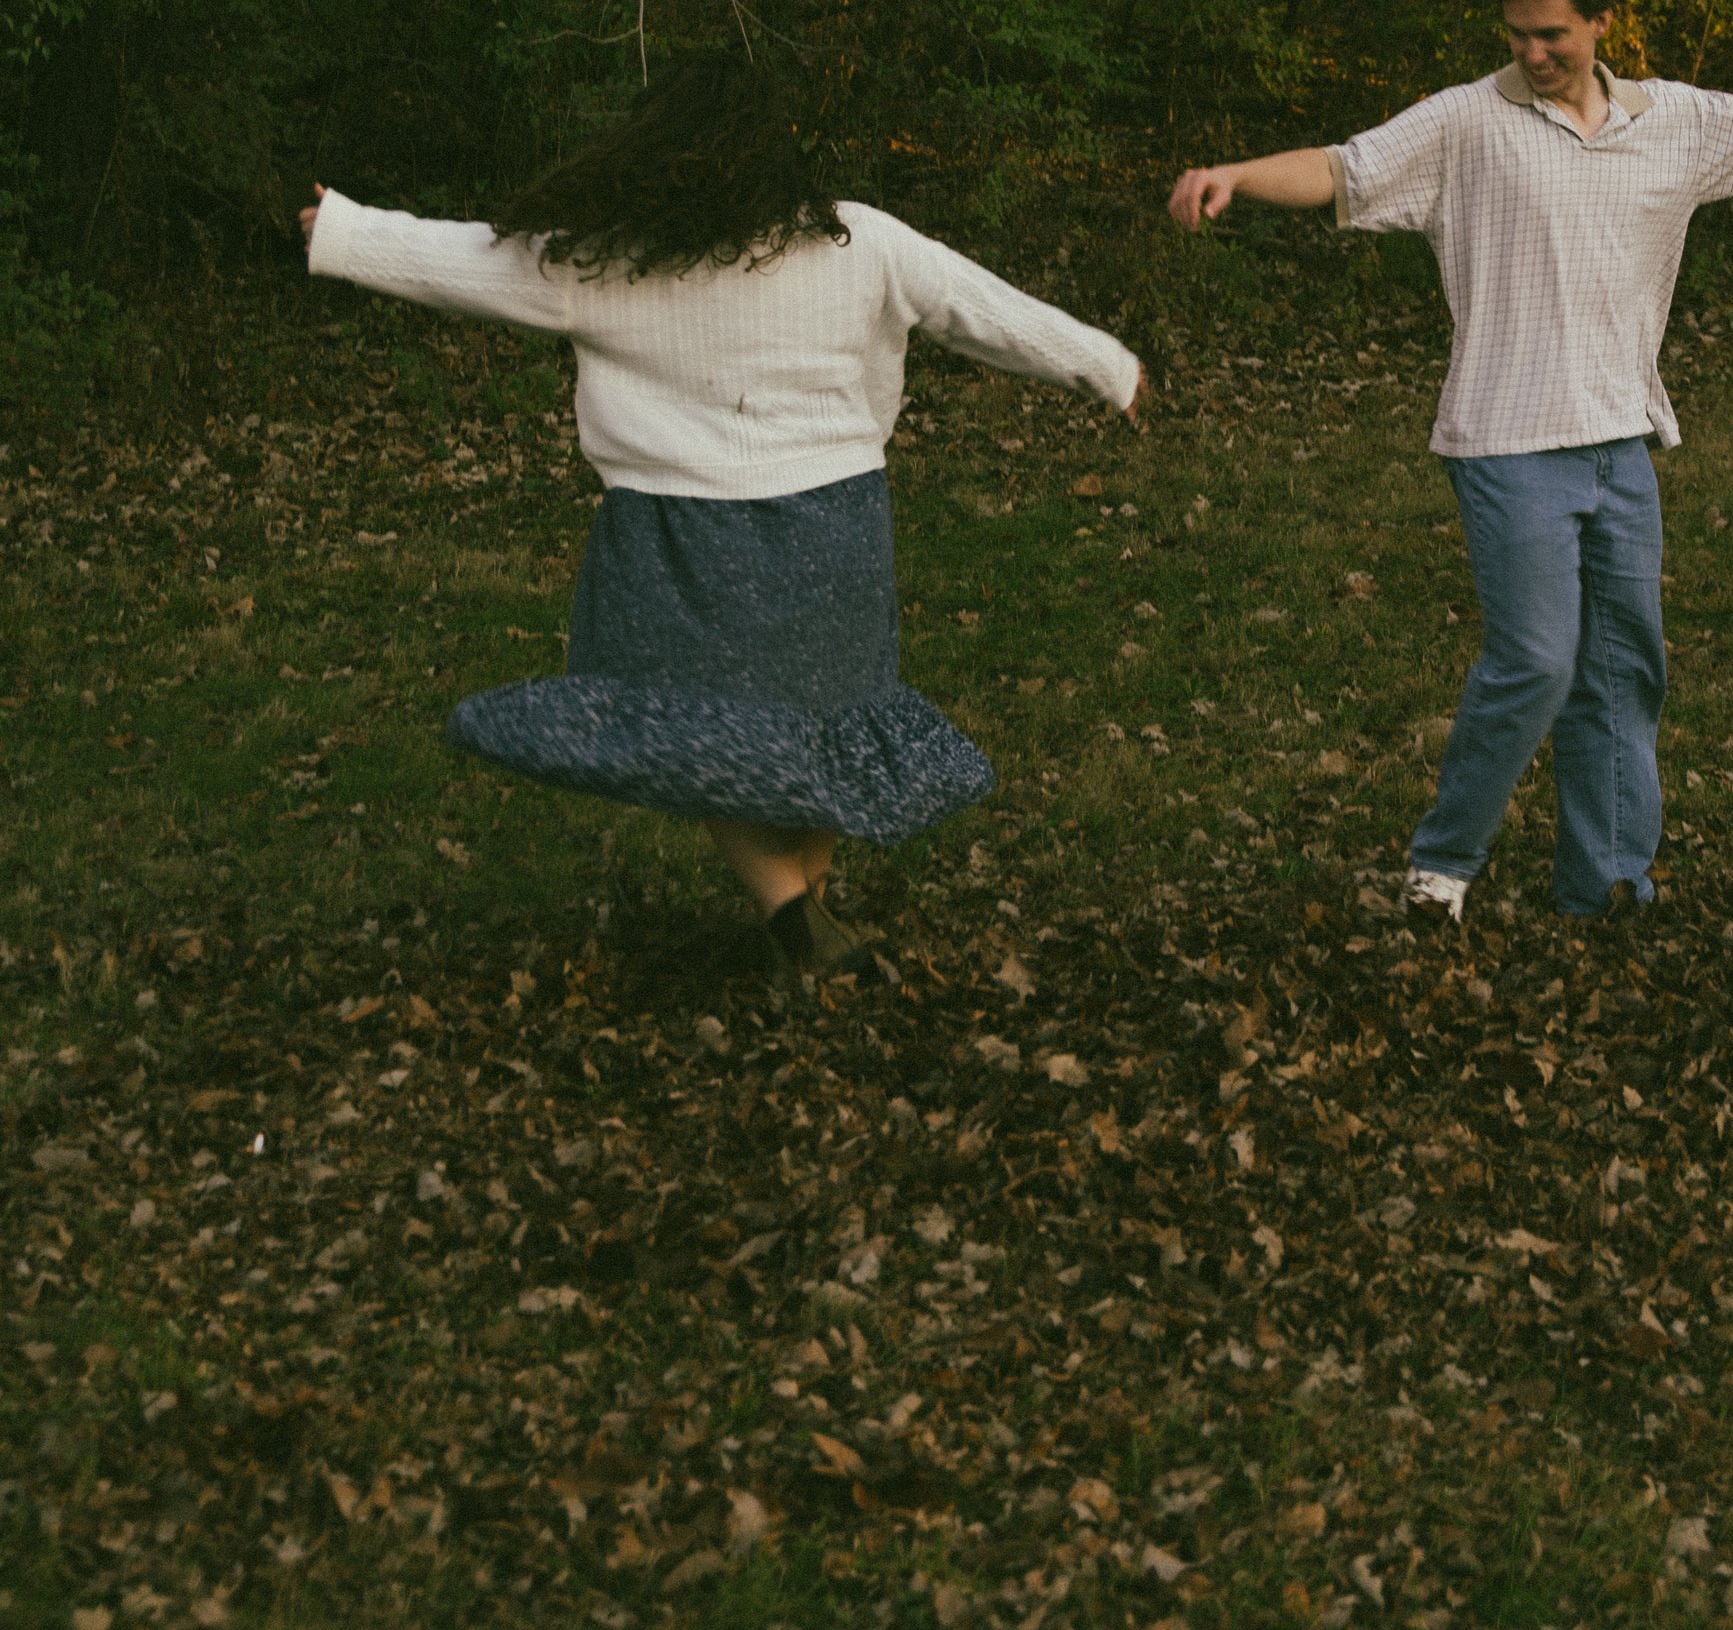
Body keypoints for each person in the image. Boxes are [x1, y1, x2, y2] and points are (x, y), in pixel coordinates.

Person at [1167, 0, 1733, 925]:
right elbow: (1341, 169)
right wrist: (1235, 174)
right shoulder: (1464, 123)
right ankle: (1440, 868)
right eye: (1518, 35)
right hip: (1505, 437)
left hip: (1620, 440)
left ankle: (1605, 885)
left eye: (1553, 34)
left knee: (1621, 669)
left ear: (1602, 23)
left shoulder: (1676, 120)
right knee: (1535, 660)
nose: (1533, 53)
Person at [300, 55, 1142, 982]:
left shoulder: (605, 259)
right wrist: (1110, 367)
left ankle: (789, 914)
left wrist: (340, 230)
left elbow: (457, 261)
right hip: (837, 532)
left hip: (679, 540)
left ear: (654, 147)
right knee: (824, 734)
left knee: (691, 731)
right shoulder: (863, 243)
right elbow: (988, 311)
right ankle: (809, 923)